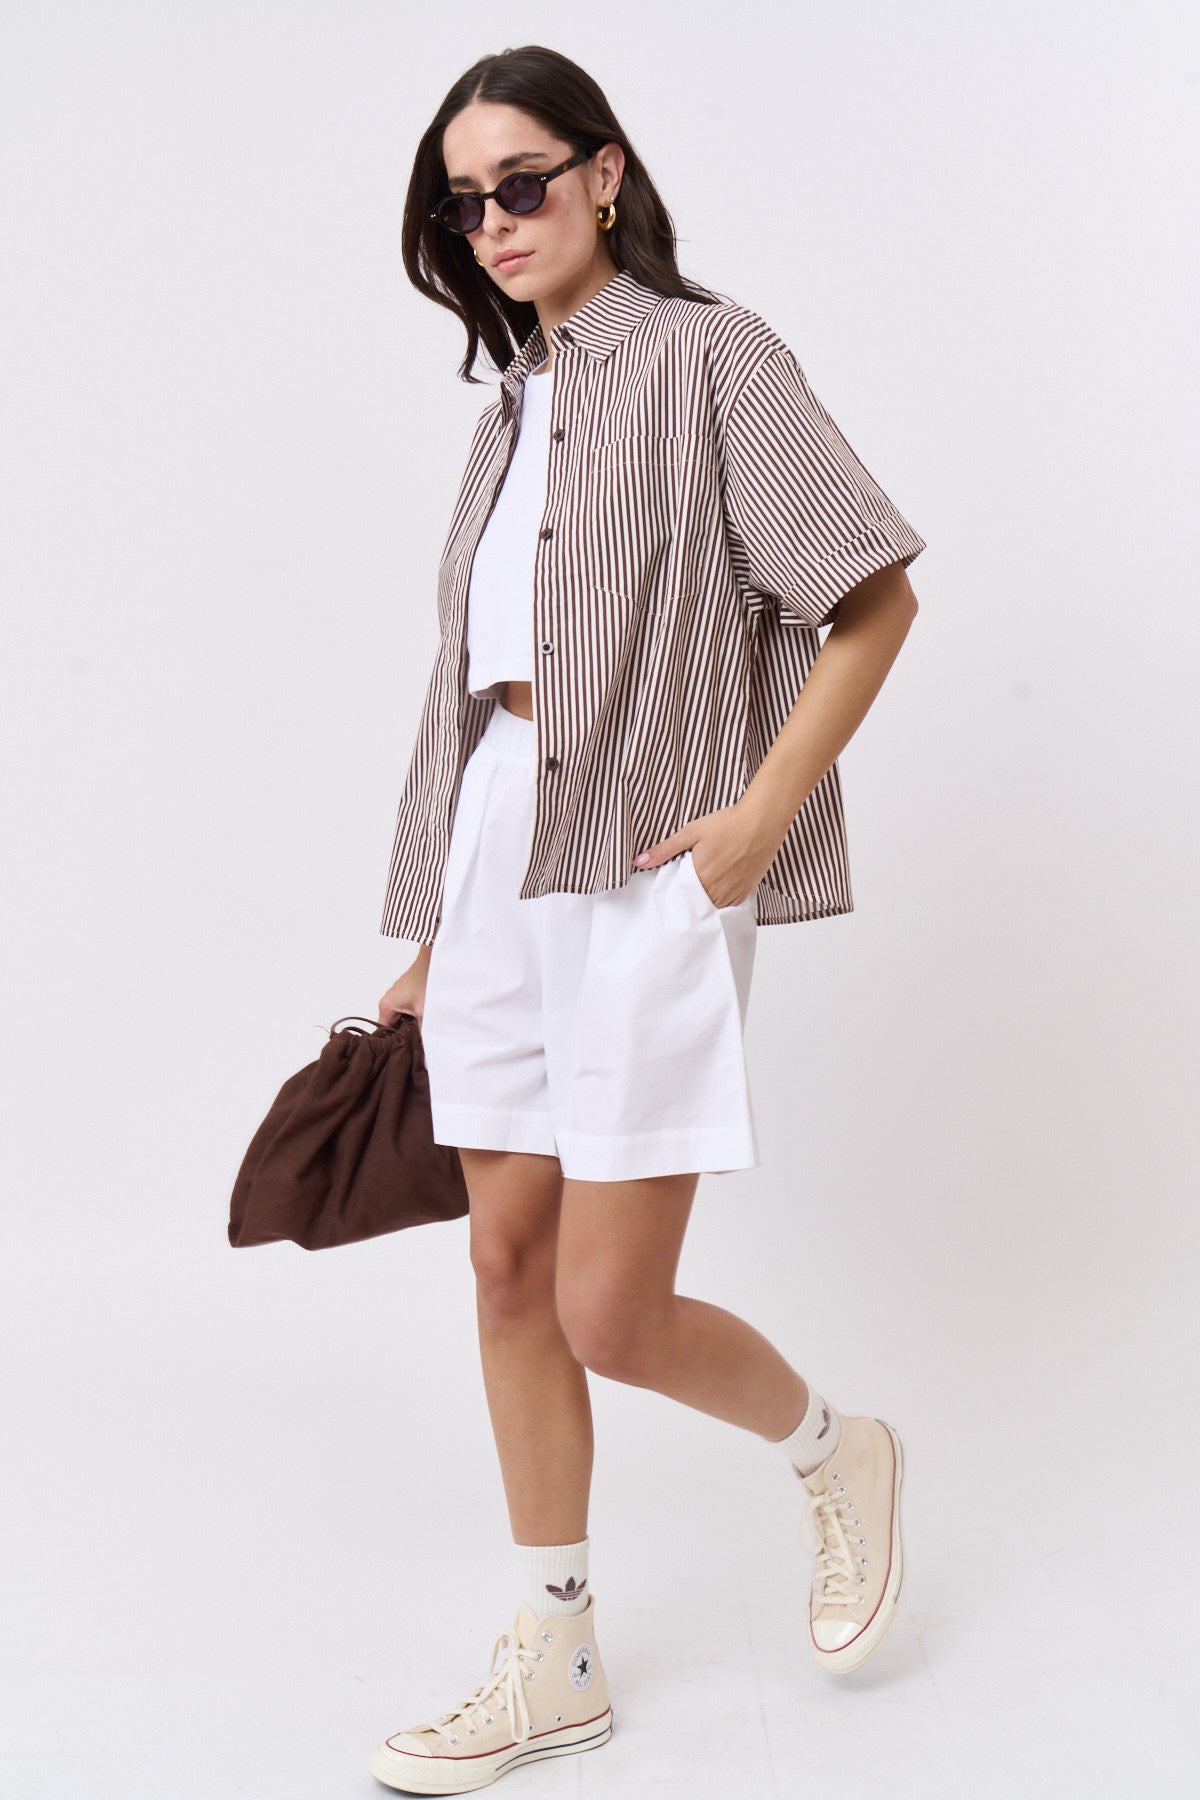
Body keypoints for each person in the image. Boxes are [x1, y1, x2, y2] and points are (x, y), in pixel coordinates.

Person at [370, 43, 924, 1794]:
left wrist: (760, 819)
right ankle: (558, 1652)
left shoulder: (711, 355)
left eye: (523, 182)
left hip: (650, 866)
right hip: (499, 860)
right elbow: (470, 691)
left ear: (605, 174)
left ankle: (836, 1451)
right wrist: (433, 919)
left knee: (609, 1307)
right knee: (502, 1264)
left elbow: (873, 596)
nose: (494, 222)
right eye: (466, 202)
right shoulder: (508, 412)